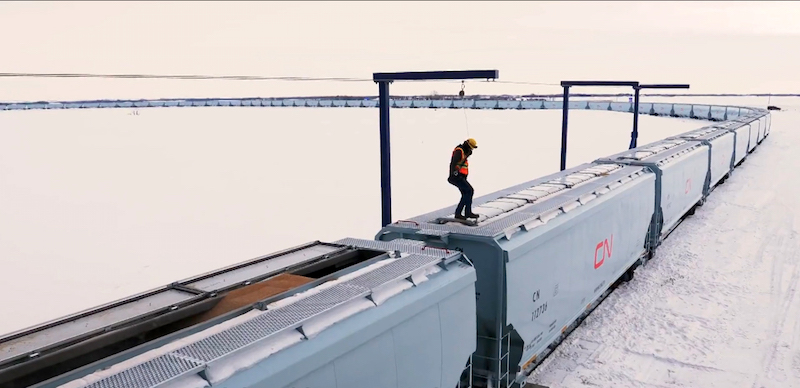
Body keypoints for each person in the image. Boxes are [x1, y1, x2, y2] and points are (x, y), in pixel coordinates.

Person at [448, 138, 479, 220]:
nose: (471, 149)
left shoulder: (464, 151)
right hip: (456, 177)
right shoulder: (459, 151)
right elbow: (453, 163)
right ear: (467, 145)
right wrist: (454, 173)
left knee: (466, 193)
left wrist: (468, 154)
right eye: (470, 147)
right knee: (469, 191)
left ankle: (464, 213)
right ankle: (463, 213)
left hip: (461, 177)